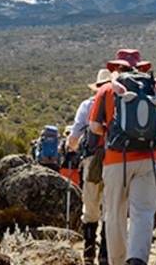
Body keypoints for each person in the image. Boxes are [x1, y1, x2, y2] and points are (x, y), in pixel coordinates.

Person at [89, 49, 156, 265]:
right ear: (140, 67)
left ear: (116, 67)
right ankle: (137, 259)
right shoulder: (154, 88)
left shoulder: (108, 90)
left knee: (114, 214)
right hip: (149, 158)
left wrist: (111, 133)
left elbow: (94, 126)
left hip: (116, 159)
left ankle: (117, 261)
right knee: (143, 211)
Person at [68, 69, 113, 265]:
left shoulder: (87, 105)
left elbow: (74, 137)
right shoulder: (118, 102)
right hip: (115, 161)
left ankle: (88, 254)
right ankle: (105, 254)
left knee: (91, 207)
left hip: (92, 161)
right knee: (110, 209)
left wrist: (71, 148)